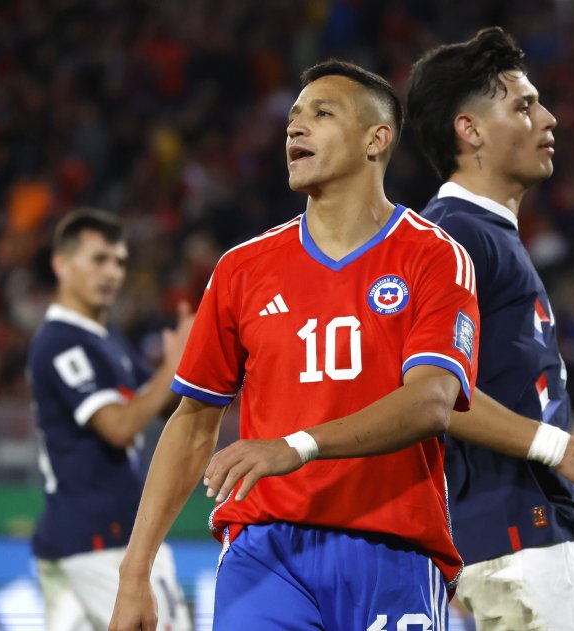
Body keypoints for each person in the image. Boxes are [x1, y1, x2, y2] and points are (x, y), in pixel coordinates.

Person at [110, 61, 479, 631]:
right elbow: (191, 422)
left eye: (321, 113)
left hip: (392, 548)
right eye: (293, 118)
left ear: (376, 140)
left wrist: (297, 446)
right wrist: (135, 574)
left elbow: (431, 403)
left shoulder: (434, 256)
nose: (295, 128)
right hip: (265, 550)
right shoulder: (242, 269)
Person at [407, 27, 574, 631]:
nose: (549, 118)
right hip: (517, 541)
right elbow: (434, 396)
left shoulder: (488, 234)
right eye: (523, 105)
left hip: (557, 529)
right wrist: (562, 451)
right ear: (471, 130)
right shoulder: (453, 236)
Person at [27, 209, 193, 631]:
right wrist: (172, 366)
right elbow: (119, 426)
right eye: (99, 259)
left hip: (87, 541)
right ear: (62, 265)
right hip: (99, 543)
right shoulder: (60, 342)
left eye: (119, 261)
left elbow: (162, 402)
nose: (113, 272)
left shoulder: (104, 338)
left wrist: (191, 363)